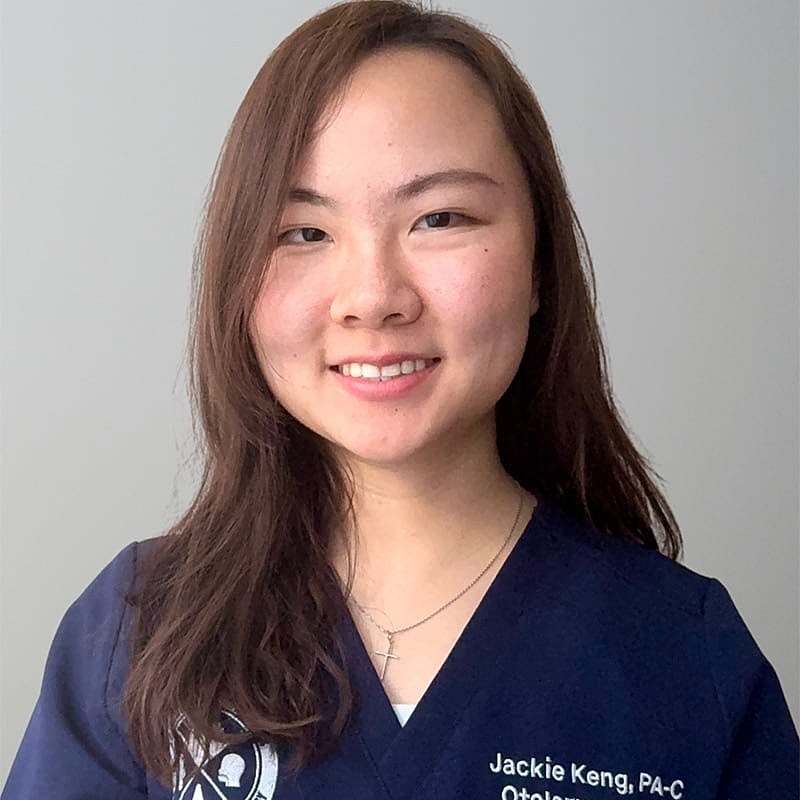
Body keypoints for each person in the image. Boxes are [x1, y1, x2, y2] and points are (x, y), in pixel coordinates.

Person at [3, 2, 798, 798]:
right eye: (304, 233)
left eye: (440, 217)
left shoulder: (685, 656)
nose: (373, 297)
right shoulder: (137, 632)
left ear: (539, 267)